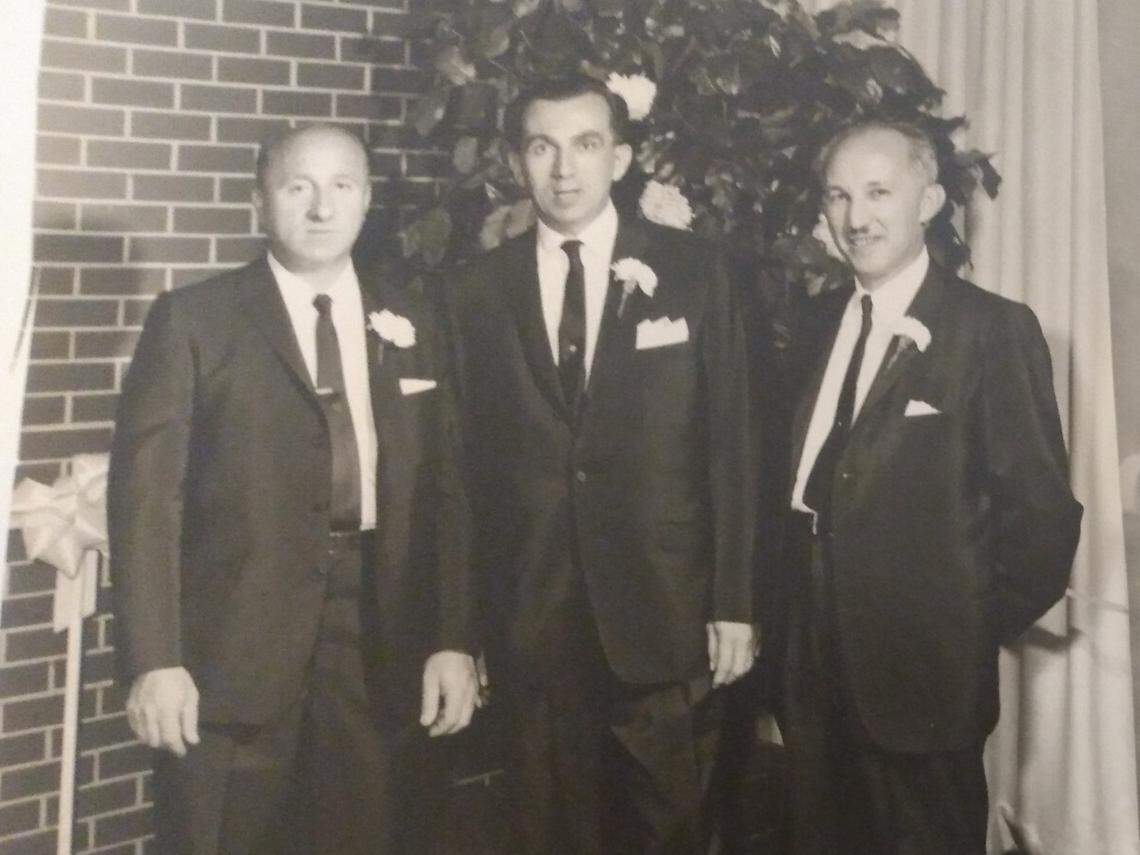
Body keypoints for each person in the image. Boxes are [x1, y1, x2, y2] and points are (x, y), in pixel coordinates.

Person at [108, 124, 478, 855]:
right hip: (229, 653)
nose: (321, 207)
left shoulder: (416, 319)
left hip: (379, 648)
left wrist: (452, 638)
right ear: (259, 201)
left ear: (366, 200)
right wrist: (155, 659)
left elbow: (448, 494)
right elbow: (147, 506)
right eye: (297, 187)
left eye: (341, 186)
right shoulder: (194, 320)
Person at [449, 74, 757, 854]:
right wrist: (462, 627)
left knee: (668, 829)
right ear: (516, 161)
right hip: (530, 618)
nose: (564, 169)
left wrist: (735, 601)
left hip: (666, 613)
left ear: (620, 158)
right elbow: (457, 475)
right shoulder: (474, 292)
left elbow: (734, 445)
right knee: (543, 832)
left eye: (585, 145)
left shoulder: (697, 272)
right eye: (542, 146)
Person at [781, 119, 1083, 855]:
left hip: (925, 690)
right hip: (812, 684)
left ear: (929, 201)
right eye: (839, 196)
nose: (856, 217)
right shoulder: (810, 325)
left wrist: (958, 626)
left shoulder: (991, 330)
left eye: (878, 192)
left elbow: (1044, 523)